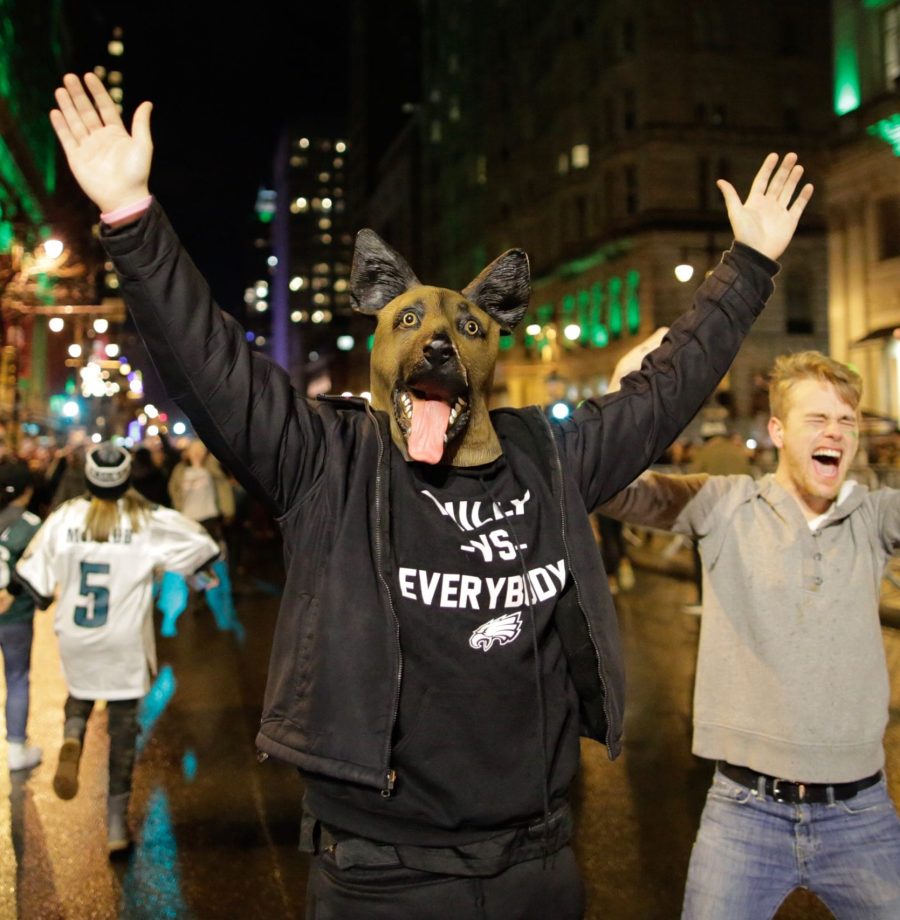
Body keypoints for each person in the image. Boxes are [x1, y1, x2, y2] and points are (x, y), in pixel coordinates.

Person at [49, 71, 812, 916]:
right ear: (379, 344)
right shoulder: (326, 459)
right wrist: (130, 216)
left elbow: (662, 391)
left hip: (538, 862)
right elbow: (213, 369)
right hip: (382, 874)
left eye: (465, 332)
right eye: (412, 324)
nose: (440, 344)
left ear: (489, 358)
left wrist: (749, 267)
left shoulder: (549, 457)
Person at [601, 351, 900, 918]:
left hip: (861, 814)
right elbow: (615, 488)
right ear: (778, 430)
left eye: (847, 421)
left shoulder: (875, 515)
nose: (835, 432)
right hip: (744, 814)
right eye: (817, 419)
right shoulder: (725, 503)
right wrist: (625, 393)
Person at [16, 442, 219, 854]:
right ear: (126, 478)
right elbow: (200, 546)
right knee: (123, 730)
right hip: (124, 640)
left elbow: (34, 581)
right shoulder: (146, 520)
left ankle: (73, 735)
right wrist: (198, 576)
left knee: (80, 694)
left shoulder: (66, 517)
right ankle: (115, 826)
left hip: (77, 636)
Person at [0, 461, 43, 772]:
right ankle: (16, 749)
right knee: (16, 679)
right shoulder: (32, 525)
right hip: (15, 616)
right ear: (27, 491)